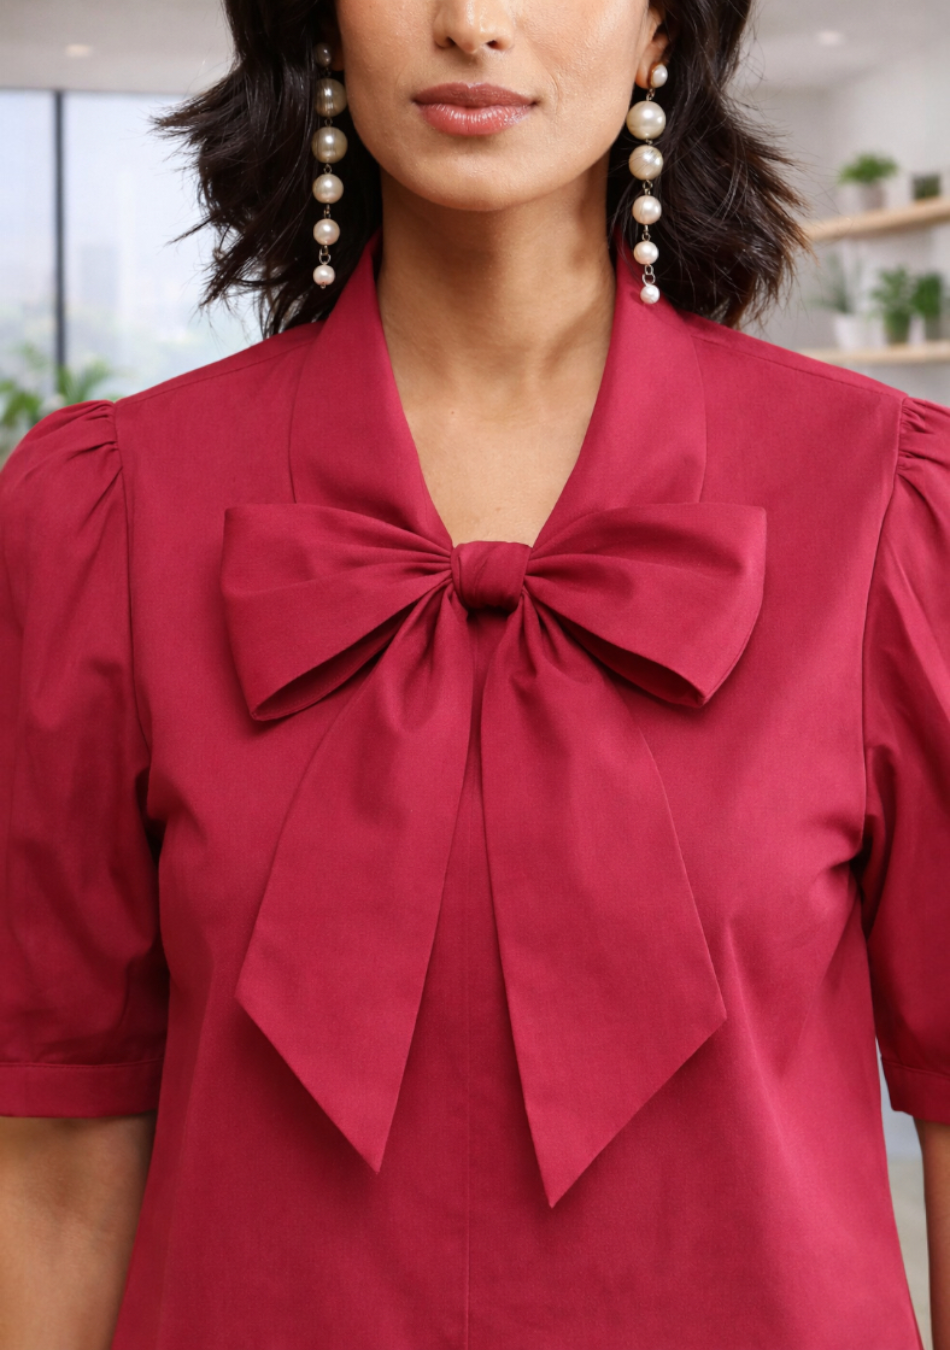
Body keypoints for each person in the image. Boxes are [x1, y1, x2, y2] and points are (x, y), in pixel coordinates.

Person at [1, 0, 949, 1345]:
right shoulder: (108, 517)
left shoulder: (886, 508)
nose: (471, 21)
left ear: (663, 31)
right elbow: (56, 1148)